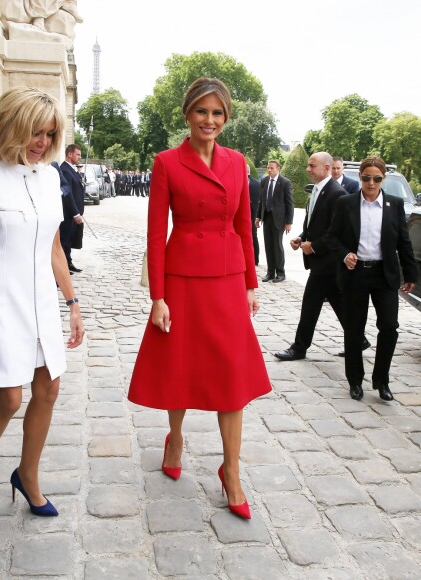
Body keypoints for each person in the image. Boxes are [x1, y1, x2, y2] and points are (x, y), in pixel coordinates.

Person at [128, 77, 271, 520]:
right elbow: (155, 233)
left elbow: (246, 225)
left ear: (225, 119)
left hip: (227, 279)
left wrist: (250, 282)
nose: (209, 120)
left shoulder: (238, 162)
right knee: (180, 367)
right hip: (183, 277)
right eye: (202, 111)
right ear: (188, 114)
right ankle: (175, 437)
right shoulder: (167, 162)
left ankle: (231, 470)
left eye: (218, 113)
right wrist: (158, 296)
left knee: (231, 376)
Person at [0, 87, 84, 516]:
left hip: (41, 297)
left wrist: (73, 303)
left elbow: (55, 248)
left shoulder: (48, 176)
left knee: (49, 389)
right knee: (8, 398)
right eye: (33, 132)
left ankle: (27, 474)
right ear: (10, 126)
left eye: (48, 133)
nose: (41, 142)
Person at [329, 156, 417, 401]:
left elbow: (404, 242)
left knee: (389, 327)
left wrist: (410, 273)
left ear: (383, 179)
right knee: (354, 330)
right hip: (355, 274)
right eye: (366, 177)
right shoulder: (345, 203)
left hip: (384, 275)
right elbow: (333, 238)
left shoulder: (395, 205)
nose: (371, 183)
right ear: (360, 178)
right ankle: (355, 381)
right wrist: (345, 254)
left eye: (376, 178)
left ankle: (382, 380)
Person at [275, 152, 349, 361]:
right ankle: (358, 338)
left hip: (327, 261)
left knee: (310, 304)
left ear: (326, 168)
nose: (307, 169)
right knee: (338, 301)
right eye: (307, 165)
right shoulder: (318, 190)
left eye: (312, 165)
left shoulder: (337, 193)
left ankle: (299, 348)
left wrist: (314, 247)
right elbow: (316, 223)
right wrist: (301, 238)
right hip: (322, 260)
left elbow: (335, 232)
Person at [255, 160, 293, 282]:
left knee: (277, 245)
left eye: (271, 168)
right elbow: (261, 200)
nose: (269, 170)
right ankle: (270, 272)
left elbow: (289, 203)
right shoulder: (265, 181)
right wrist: (258, 216)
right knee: (268, 245)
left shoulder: (285, 182)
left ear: (278, 168)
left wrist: (288, 222)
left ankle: (280, 273)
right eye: (268, 167)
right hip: (267, 217)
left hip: (279, 219)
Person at [59, 144, 84, 273]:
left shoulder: (71, 169)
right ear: (70, 154)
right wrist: (75, 213)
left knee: (69, 241)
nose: (80, 157)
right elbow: (68, 194)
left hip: (73, 213)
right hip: (68, 213)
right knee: (64, 241)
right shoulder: (64, 170)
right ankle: (62, 267)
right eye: (78, 154)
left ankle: (68, 263)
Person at [247, 164, 260, 266]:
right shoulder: (258, 183)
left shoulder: (256, 184)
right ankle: (253, 258)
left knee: (252, 235)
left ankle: (254, 259)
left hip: (251, 213)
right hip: (251, 213)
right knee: (252, 236)